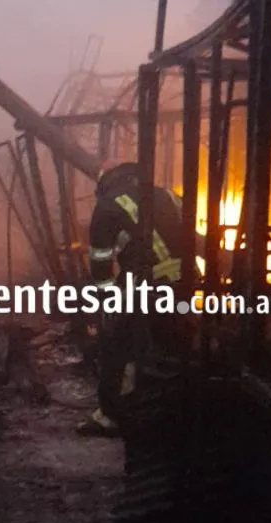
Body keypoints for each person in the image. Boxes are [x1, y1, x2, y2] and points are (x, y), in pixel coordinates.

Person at [77, 160, 194, 437]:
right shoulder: (165, 193)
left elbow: (101, 261)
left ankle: (109, 416)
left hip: (146, 284)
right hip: (184, 283)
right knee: (175, 345)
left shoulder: (107, 206)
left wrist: (107, 301)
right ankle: (176, 409)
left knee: (114, 344)